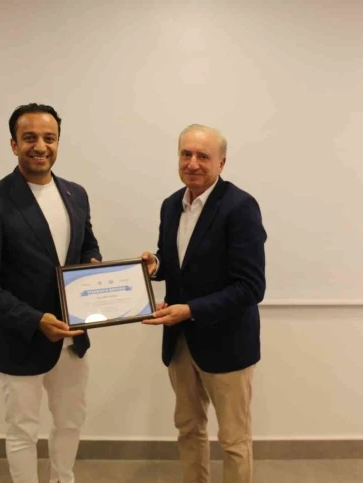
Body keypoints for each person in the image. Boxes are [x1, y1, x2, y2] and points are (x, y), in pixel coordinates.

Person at [0, 103, 101, 483]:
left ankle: (63, 479)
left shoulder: (76, 194)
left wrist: (93, 268)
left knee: (71, 422)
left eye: (49, 138)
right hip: (20, 340)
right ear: (14, 144)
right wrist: (36, 321)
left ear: (58, 142)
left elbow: (87, 245)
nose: (40, 146)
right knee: (23, 429)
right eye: (30, 138)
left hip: (73, 337)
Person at [142, 124, 267, 483]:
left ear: (221, 163)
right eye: (186, 154)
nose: (192, 163)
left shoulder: (240, 207)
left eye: (203, 156)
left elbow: (250, 287)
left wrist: (191, 310)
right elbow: (177, 262)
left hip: (227, 345)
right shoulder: (171, 205)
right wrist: (156, 266)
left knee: (233, 441)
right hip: (180, 343)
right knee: (188, 429)